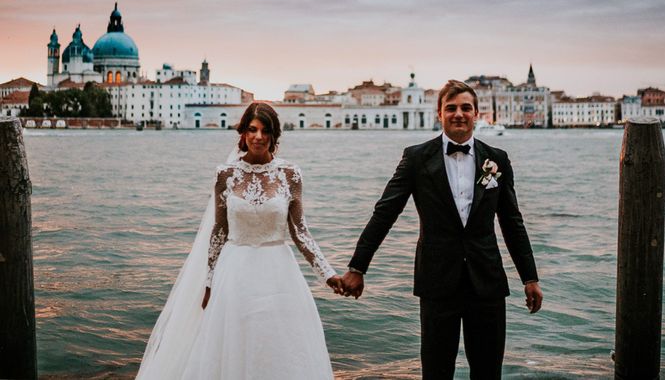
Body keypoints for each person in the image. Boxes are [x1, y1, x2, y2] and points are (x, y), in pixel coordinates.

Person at [341, 80, 543, 379]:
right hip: (437, 282)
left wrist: (530, 277)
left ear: (476, 113)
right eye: (451, 108)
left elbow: (512, 221)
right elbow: (385, 213)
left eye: (465, 108)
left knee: (488, 372)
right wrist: (358, 267)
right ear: (440, 114)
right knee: (436, 371)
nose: (458, 114)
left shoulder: (497, 159)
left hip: (486, 282)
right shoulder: (416, 158)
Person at [137, 102, 343, 380]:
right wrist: (208, 282)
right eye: (252, 129)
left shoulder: (290, 174)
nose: (258, 136)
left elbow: (300, 231)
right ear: (243, 133)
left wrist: (328, 274)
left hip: (279, 274)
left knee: (277, 345)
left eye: (265, 130)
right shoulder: (225, 174)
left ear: (274, 135)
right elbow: (219, 231)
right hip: (234, 274)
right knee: (233, 343)